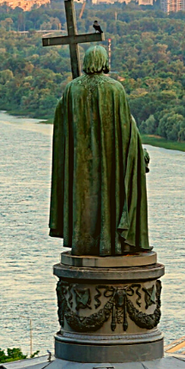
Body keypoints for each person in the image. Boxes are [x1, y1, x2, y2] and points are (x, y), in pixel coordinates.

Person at [49, 45, 150, 256]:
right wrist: (138, 153)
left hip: (80, 164)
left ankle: (83, 242)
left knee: (84, 201)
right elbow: (125, 129)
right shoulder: (114, 89)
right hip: (109, 162)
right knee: (110, 196)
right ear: (104, 62)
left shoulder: (72, 89)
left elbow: (62, 125)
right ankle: (111, 242)